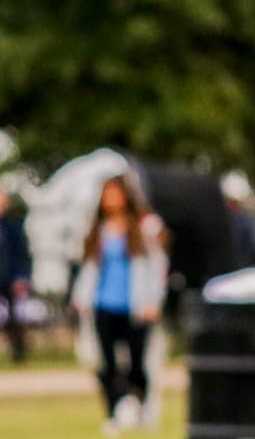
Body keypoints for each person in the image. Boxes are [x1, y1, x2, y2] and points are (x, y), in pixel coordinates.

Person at [71, 174, 169, 434]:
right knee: (106, 365)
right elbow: (88, 268)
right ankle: (114, 412)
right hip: (104, 305)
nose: (111, 200)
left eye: (116, 194)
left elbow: (158, 267)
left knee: (137, 364)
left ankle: (142, 408)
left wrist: (154, 302)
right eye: (107, 195)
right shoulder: (96, 230)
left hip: (136, 306)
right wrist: (80, 298)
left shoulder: (143, 228)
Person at [0, 187, 32, 363]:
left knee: (15, 317)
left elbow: (22, 254)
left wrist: (21, 276)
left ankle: (18, 352)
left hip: (8, 277)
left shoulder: (13, 226)